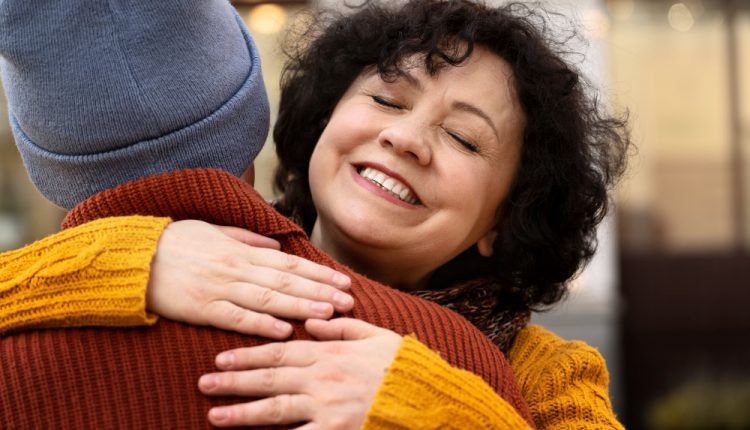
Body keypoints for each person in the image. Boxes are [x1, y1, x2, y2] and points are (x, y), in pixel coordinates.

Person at [0, 0, 629, 428]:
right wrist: (122, 259)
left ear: (503, 220)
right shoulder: (176, 254)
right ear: (326, 119)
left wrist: (435, 406)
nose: (406, 138)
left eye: (465, 139)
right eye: (386, 99)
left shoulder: (543, 372)